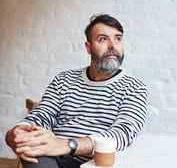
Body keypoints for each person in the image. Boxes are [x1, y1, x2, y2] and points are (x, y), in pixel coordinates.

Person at [5, 14, 148, 168]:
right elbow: (42, 115)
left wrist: (67, 145)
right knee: (34, 156)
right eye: (103, 39)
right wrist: (18, 133)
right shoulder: (63, 80)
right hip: (53, 157)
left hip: (94, 162)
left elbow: (122, 135)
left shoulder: (135, 88)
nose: (113, 45)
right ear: (88, 47)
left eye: (118, 39)